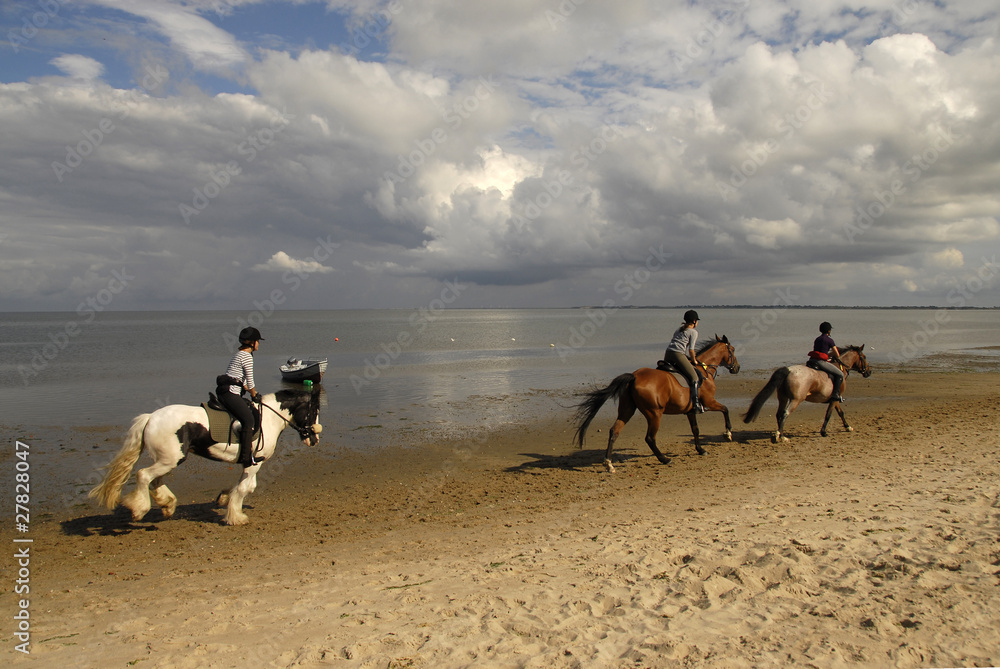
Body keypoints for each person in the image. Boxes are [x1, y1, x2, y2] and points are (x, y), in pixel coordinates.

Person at [217, 327, 265, 466]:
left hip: (226, 391)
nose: (259, 344)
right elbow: (250, 381)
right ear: (252, 343)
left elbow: (241, 381)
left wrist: (248, 390)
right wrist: (254, 395)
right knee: (248, 420)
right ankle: (246, 458)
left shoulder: (239, 354)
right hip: (230, 393)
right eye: (258, 341)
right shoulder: (247, 357)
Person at [663, 309, 705, 413]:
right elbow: (691, 349)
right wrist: (694, 360)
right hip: (678, 355)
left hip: (668, 353)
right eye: (697, 321)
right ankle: (695, 404)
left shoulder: (679, 329)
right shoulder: (693, 332)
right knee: (694, 377)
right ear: (694, 321)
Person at [808, 321, 846, 403]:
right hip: (820, 362)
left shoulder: (817, 339)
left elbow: (819, 351)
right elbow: (837, 354)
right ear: (829, 331)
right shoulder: (830, 340)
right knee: (840, 374)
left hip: (811, 360)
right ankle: (835, 394)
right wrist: (831, 356)